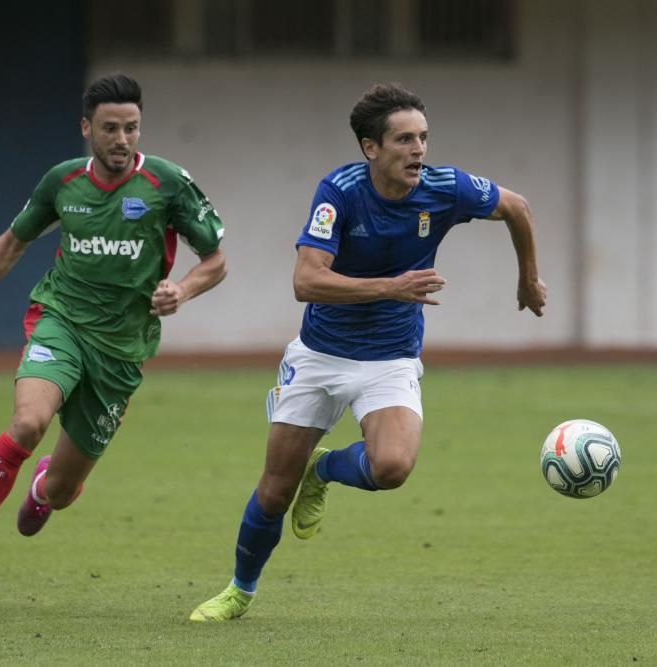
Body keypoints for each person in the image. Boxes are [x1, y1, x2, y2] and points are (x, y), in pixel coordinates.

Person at [189, 82, 545, 621]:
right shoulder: (340, 191)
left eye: (423, 137)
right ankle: (240, 590)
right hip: (319, 356)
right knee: (273, 491)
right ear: (370, 147)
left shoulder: (446, 188)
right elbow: (306, 282)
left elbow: (517, 207)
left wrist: (528, 281)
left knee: (394, 466)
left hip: (391, 357)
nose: (418, 151)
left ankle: (326, 470)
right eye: (404, 140)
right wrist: (391, 286)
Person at [0, 74, 227, 597]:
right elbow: (10, 244)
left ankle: (44, 486)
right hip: (59, 320)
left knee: (62, 490)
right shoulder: (62, 183)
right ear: (87, 128)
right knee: (26, 424)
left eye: (131, 128)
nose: (122, 139)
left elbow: (216, 261)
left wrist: (183, 291)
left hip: (122, 351)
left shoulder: (168, 183)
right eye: (110, 128)